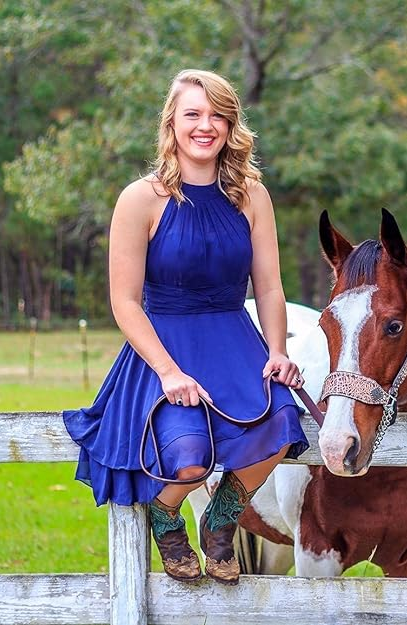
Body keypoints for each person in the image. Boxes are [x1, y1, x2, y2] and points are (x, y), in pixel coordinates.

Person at [63, 69, 309, 586]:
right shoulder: (140, 199)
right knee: (187, 459)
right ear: (171, 123)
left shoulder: (251, 197)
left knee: (280, 428)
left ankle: (222, 520)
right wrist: (169, 372)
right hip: (163, 348)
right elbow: (125, 301)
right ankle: (166, 515)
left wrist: (277, 349)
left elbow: (268, 288)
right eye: (192, 114)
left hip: (235, 341)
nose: (206, 125)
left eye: (217, 114)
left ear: (231, 125)